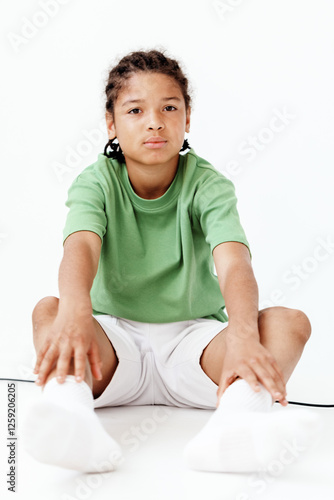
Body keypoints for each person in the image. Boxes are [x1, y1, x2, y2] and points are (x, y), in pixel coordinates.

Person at [23, 49, 319, 474]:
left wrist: (241, 334)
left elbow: (234, 263)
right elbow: (80, 248)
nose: (154, 122)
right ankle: (72, 420)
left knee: (290, 323)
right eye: (135, 110)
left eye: (169, 107)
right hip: (113, 346)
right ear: (111, 122)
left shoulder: (207, 184)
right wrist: (74, 312)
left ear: (187, 118)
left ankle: (234, 427)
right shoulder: (96, 182)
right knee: (48, 311)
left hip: (194, 349)